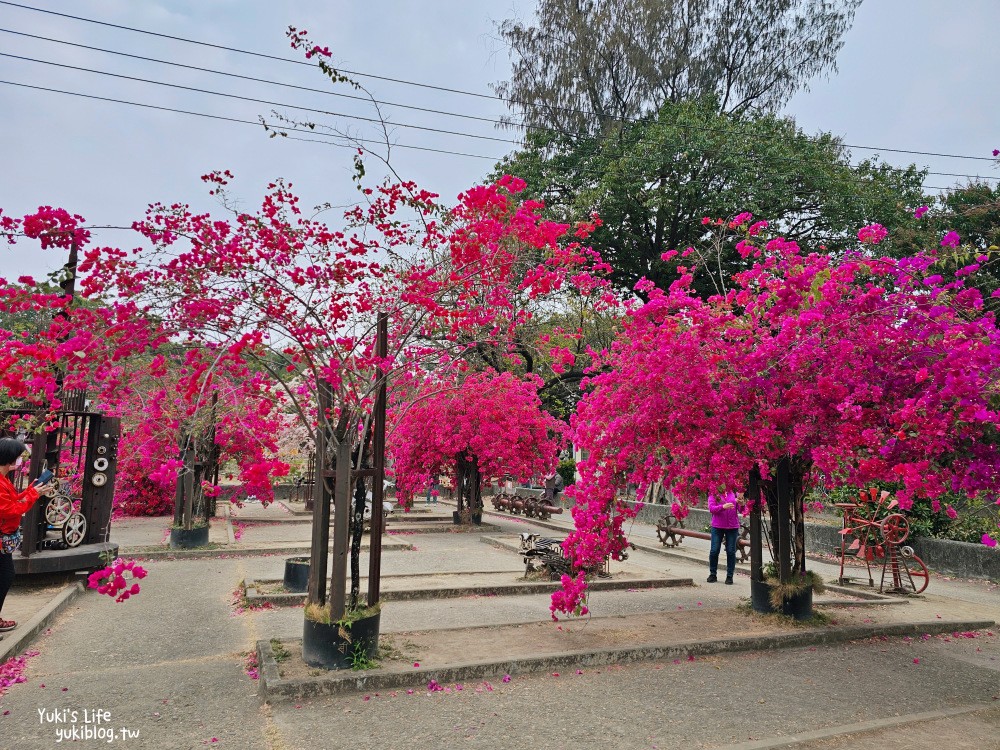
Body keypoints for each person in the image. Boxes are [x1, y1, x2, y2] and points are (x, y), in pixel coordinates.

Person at [0, 438, 54, 632]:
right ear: (9, 458)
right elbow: (12, 509)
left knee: (5, 576)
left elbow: (13, 499)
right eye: (18, 455)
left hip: (3, 537)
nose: (20, 459)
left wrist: (32, 490)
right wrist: (34, 495)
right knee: (5, 576)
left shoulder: (3, 478)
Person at [707, 490, 741, 585]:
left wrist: (742, 504)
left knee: (731, 551)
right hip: (717, 526)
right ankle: (713, 574)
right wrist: (723, 507)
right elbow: (711, 508)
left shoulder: (734, 493)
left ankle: (729, 576)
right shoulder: (713, 493)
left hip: (732, 526)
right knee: (714, 550)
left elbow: (741, 509)